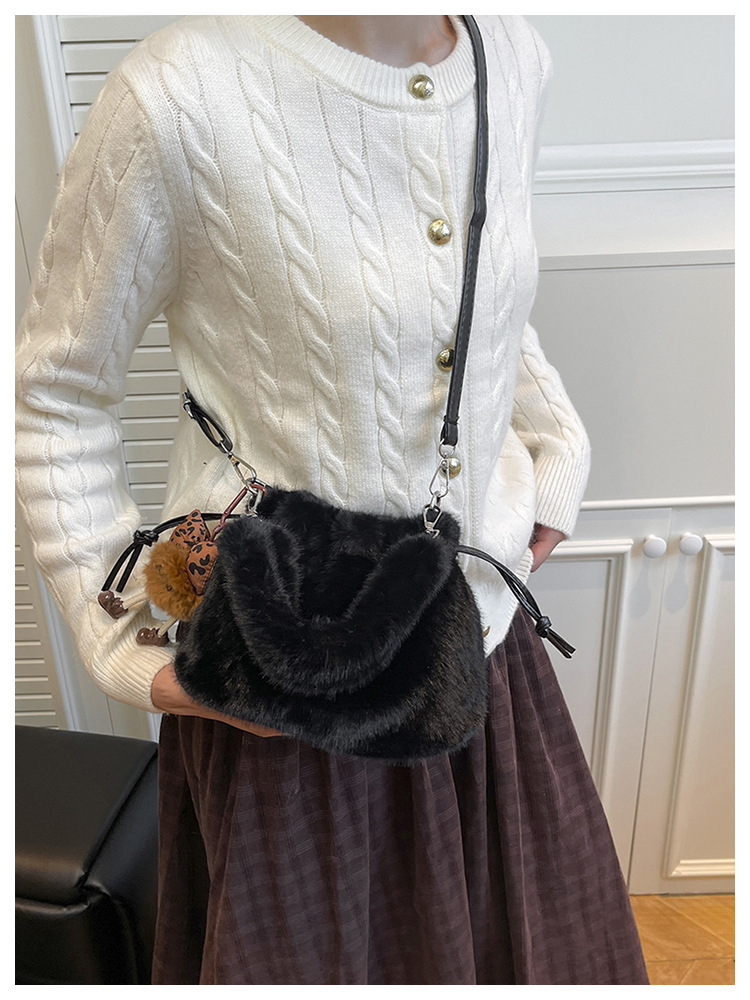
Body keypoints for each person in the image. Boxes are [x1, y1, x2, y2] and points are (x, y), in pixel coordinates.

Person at [15, 15, 649, 985]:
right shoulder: (175, 96)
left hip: (483, 654)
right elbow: (57, 391)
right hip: (286, 692)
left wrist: (556, 444)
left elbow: (480, 299)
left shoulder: (511, 52)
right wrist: (121, 639)